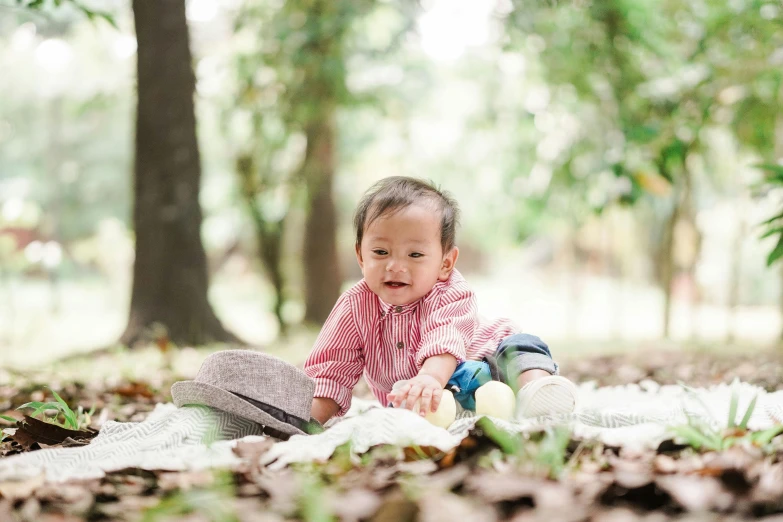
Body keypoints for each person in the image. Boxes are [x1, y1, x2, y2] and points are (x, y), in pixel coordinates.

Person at [304, 176, 578, 425]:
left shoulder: (451, 291)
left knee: (522, 347)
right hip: (433, 397)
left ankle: (537, 392)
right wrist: (307, 421)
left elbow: (444, 339)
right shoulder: (354, 306)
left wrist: (430, 378)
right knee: (414, 406)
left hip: (489, 362)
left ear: (445, 263)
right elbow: (331, 371)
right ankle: (452, 412)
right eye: (380, 251)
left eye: (414, 255)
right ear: (361, 256)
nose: (395, 266)